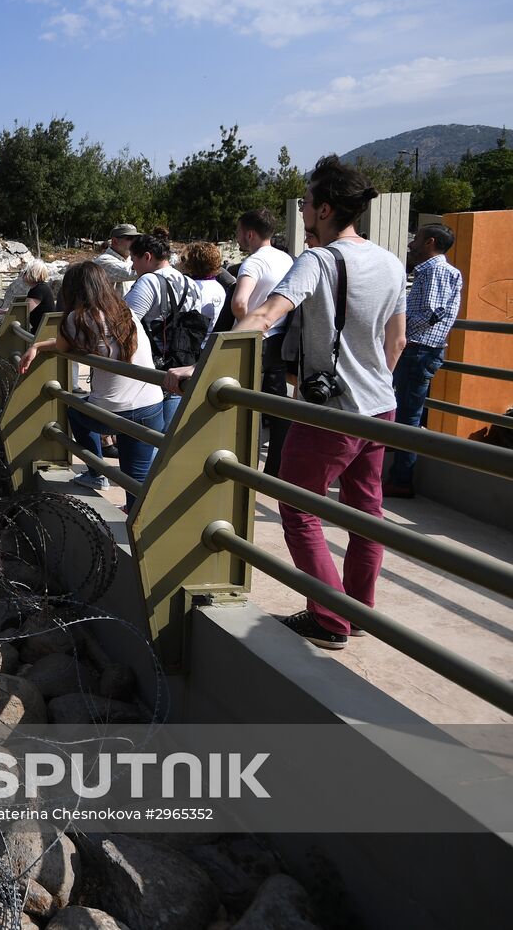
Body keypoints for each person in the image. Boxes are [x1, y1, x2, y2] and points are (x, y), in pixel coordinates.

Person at [163, 155, 406, 650]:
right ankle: (358, 611)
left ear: (325, 208)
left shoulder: (318, 260)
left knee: (296, 508)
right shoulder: (389, 260)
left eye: (308, 202)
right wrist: (372, 382)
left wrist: (200, 365)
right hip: (383, 406)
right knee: (367, 513)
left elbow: (264, 315)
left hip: (333, 410)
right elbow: (396, 342)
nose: (303, 210)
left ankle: (330, 618)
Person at [18, 262, 167, 509]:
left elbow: (62, 346)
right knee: (135, 478)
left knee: (75, 410)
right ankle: (138, 527)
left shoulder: (78, 318)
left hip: (111, 413)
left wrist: (35, 346)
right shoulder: (126, 312)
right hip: (151, 406)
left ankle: (95, 473)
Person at [384, 223, 463, 498]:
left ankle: (401, 479)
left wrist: (395, 331)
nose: (411, 244)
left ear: (429, 242)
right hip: (420, 351)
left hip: (418, 351)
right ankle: (397, 474)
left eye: (416, 239)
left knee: (407, 416)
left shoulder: (436, 271)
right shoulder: (438, 271)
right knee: (403, 412)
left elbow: (431, 313)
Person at [231, 208, 296, 476]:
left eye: (238, 233)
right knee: (276, 405)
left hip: (255, 340)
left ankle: (244, 468)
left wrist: (249, 323)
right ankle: (274, 470)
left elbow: (239, 302)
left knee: (243, 406)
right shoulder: (288, 260)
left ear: (249, 234)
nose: (237, 239)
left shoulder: (254, 262)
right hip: (281, 340)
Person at [125, 233, 207, 426]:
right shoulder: (191, 283)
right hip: (181, 365)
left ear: (147, 257)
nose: (132, 266)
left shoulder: (149, 281)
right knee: (170, 436)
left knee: (149, 437)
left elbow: (125, 322)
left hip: (152, 372)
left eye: (134, 259)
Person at [176, 241, 229, 330]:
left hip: (193, 341)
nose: (182, 262)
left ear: (192, 262)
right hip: (211, 340)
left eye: (184, 259)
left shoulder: (189, 288)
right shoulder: (220, 288)